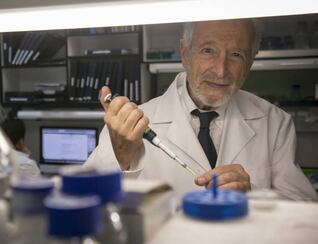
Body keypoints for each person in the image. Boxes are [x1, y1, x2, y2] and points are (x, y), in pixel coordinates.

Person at [85, 19, 317, 201]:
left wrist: (254, 196)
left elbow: (305, 212)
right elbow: (84, 199)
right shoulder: (129, 125)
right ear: (185, 53)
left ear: (251, 61)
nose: (220, 70)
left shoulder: (274, 122)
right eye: (208, 50)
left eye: (236, 54)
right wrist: (121, 159)